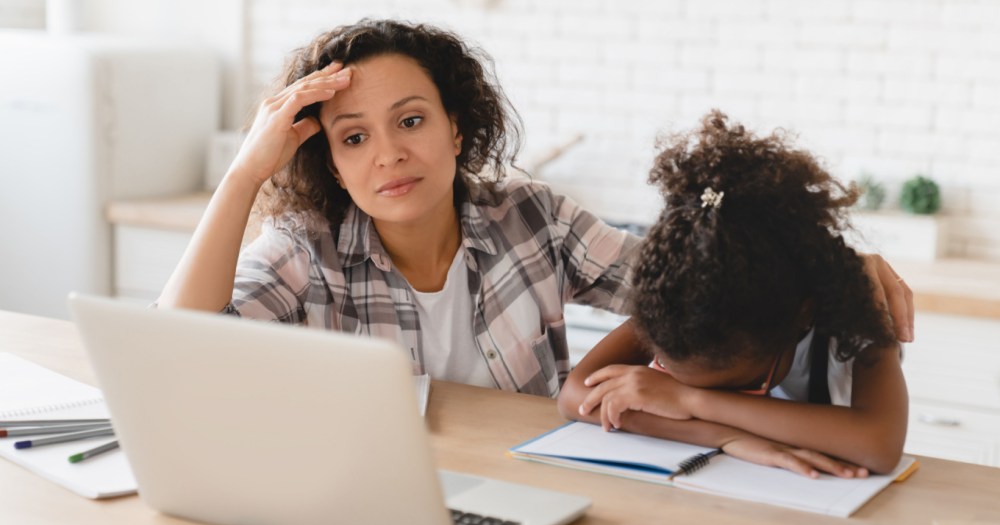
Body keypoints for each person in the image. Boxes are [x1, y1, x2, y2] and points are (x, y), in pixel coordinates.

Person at [158, 19, 914, 400]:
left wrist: (836, 262)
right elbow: (178, 348)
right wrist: (246, 173)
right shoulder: (304, 247)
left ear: (458, 127)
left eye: (412, 120)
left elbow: (687, 285)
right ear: (331, 162)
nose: (387, 152)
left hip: (525, 491)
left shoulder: (532, 218)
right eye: (353, 137)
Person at [557, 111, 909, 477]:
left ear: (801, 314)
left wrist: (689, 400)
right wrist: (725, 437)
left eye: (744, 388)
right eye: (672, 378)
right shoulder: (680, 300)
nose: (699, 396)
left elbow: (879, 445)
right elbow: (575, 398)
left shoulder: (856, 305)